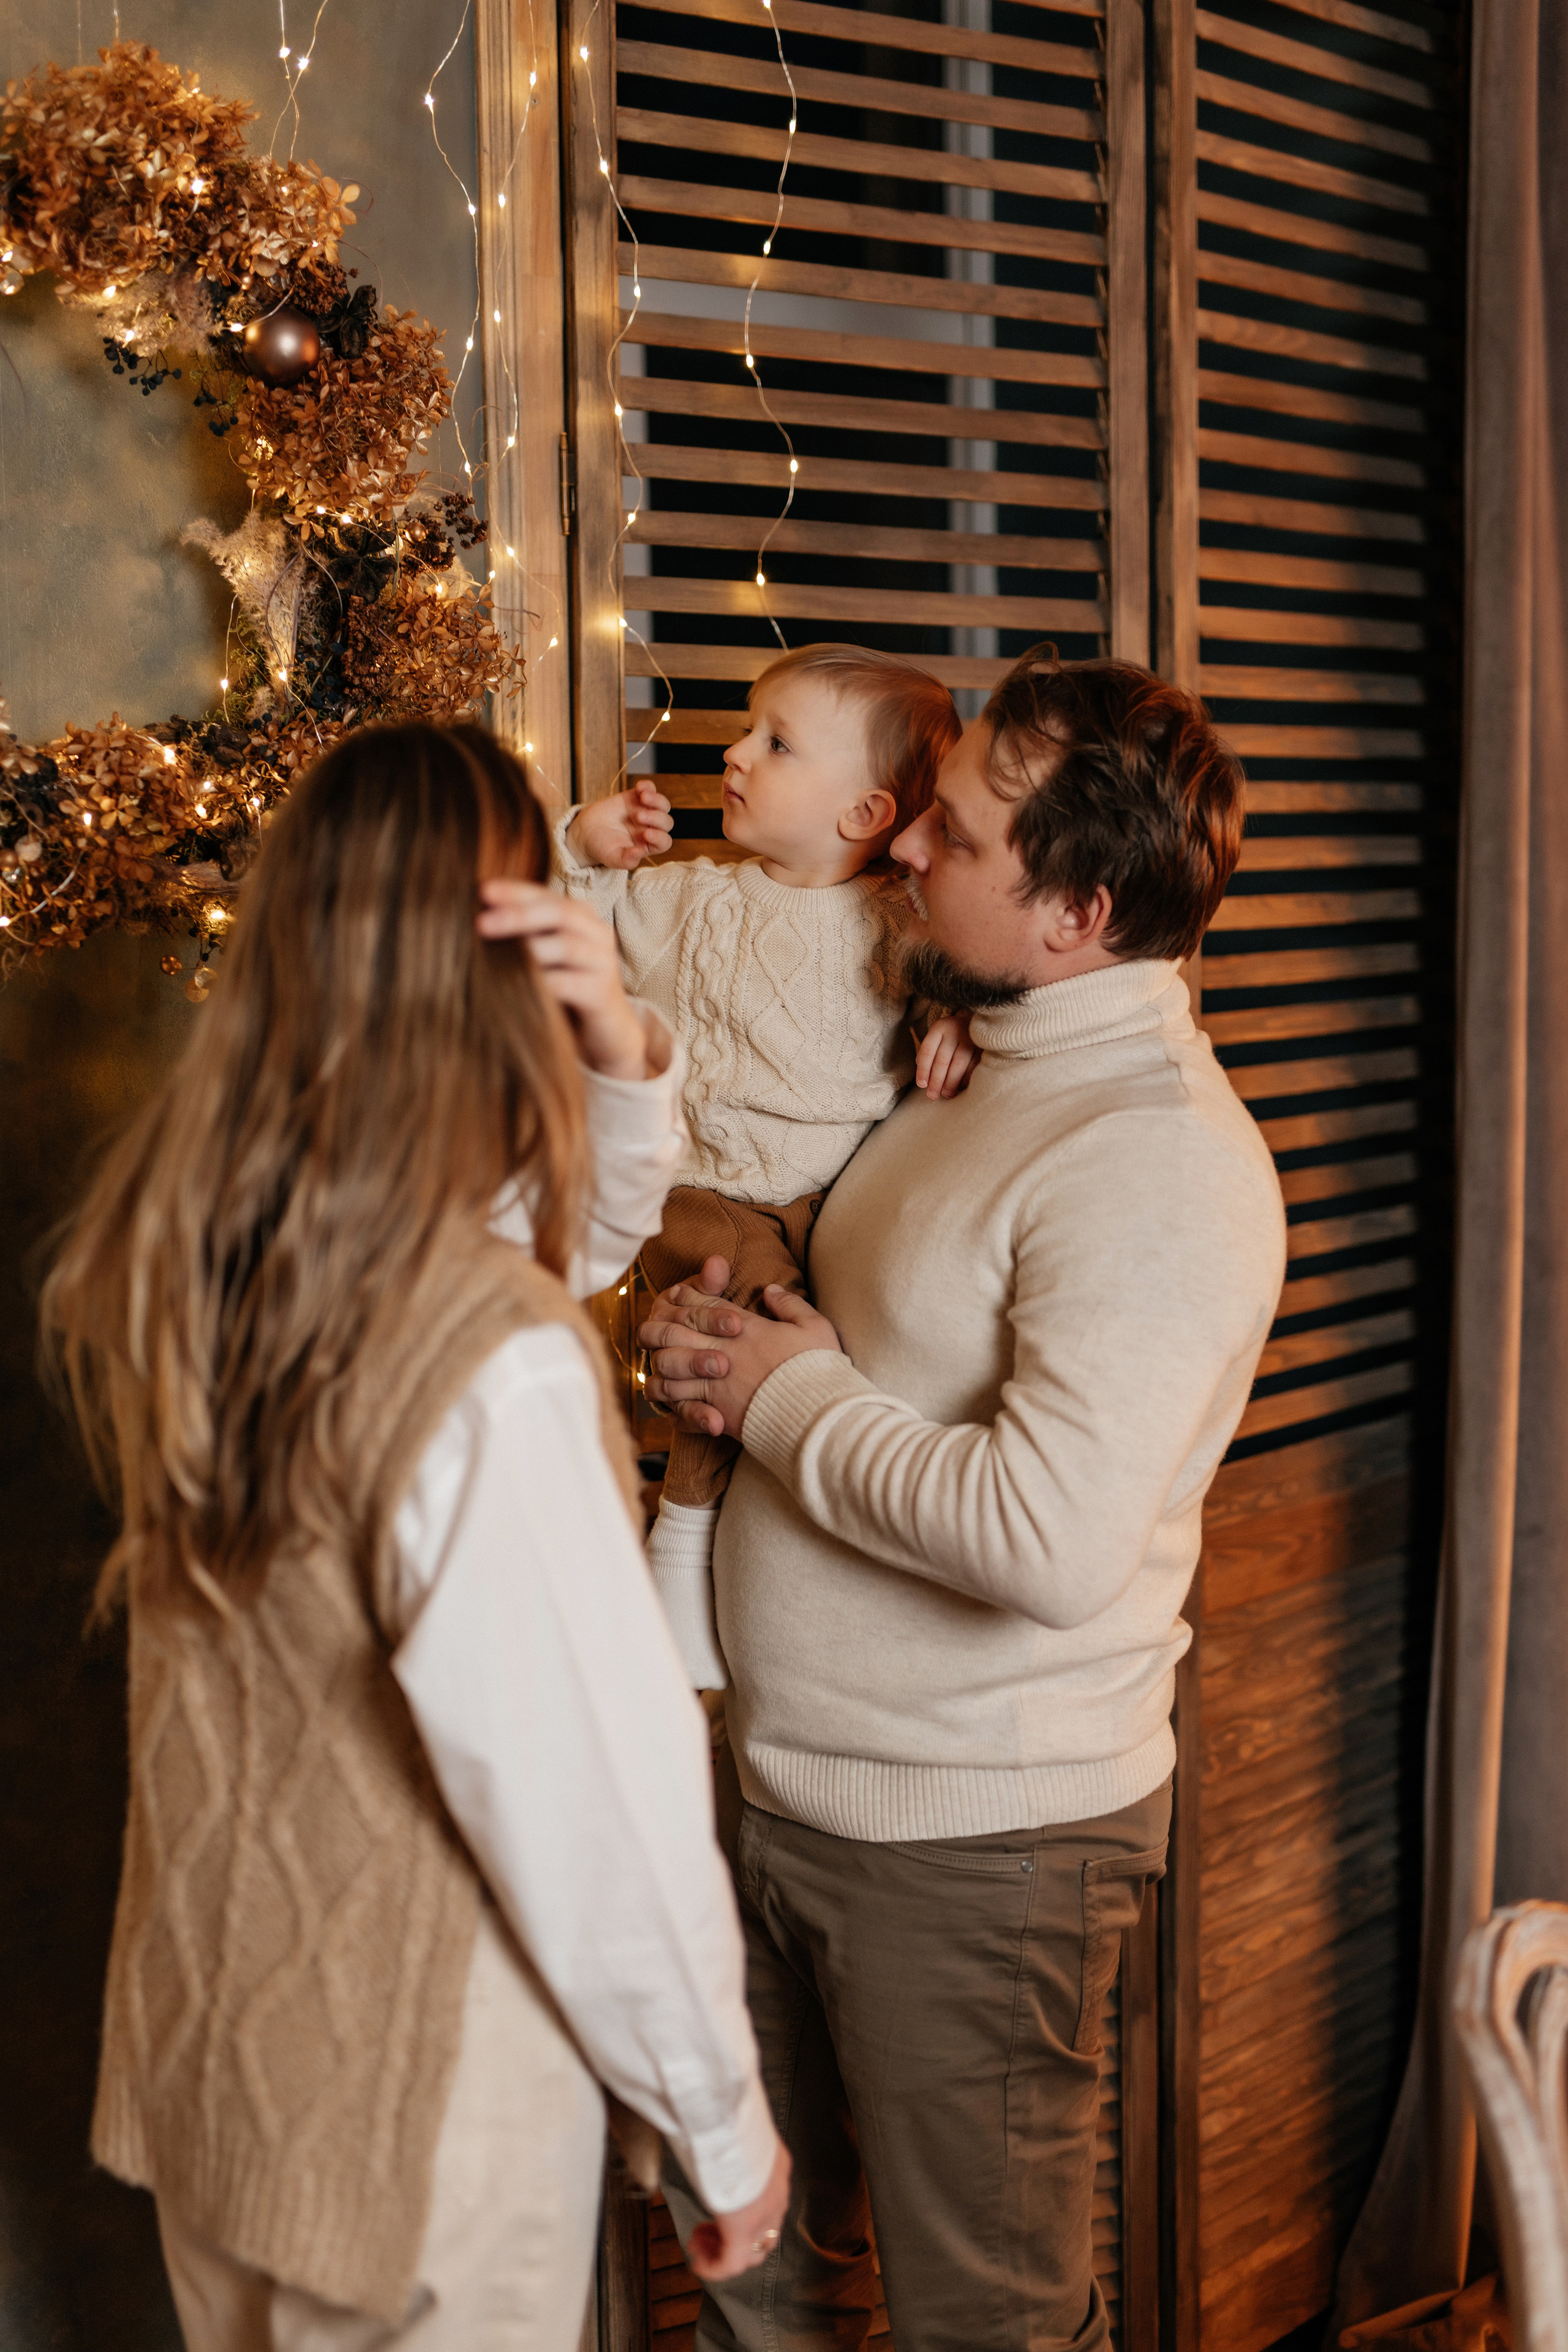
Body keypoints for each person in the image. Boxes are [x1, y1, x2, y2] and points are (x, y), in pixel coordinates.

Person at [43, 722, 788, 2352]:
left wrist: (618, 1056)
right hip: (417, 2121)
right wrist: (717, 2120)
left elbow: (541, 1241)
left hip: (222, 2080)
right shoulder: (490, 1365)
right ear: (503, 951)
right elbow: (594, 1797)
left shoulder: (216, 1254)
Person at [639, 649, 1289, 2352]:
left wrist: (783, 1401)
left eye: (964, 825)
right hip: (784, 1798)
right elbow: (843, 1325)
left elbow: (1047, 1541)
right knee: (763, 2302)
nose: (909, 838)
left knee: (979, 2331)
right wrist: (712, 1352)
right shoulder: (964, 1049)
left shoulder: (1161, 1160)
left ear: (1075, 911)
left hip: (977, 1848)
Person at [557, 642, 970, 1687]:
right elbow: (573, 919)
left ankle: (765, 1562)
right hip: (702, 1195)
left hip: (827, 1206)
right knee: (738, 1322)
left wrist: (956, 1021)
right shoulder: (692, 899)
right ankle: (680, 1536)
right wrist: (589, 845)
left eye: (776, 743)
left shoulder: (901, 918)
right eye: (752, 729)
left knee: (839, 1343)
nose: (736, 754)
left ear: (864, 816)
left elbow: (969, 982)